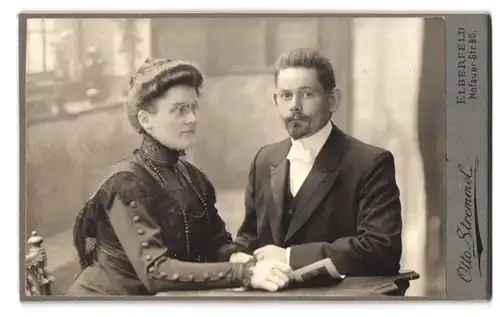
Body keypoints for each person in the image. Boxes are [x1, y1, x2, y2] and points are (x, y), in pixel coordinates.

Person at [66, 58, 292, 296]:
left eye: (194, 107)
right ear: (146, 120)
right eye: (179, 110)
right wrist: (242, 274)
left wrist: (242, 259)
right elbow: (155, 271)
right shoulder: (126, 183)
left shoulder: (193, 178)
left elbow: (216, 243)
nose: (192, 118)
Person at [231, 48, 403, 278]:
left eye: (307, 94)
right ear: (276, 100)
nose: (295, 106)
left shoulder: (370, 163)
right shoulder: (264, 160)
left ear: (332, 100)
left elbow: (382, 250)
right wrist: (239, 258)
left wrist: (290, 257)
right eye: (286, 95)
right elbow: (249, 238)